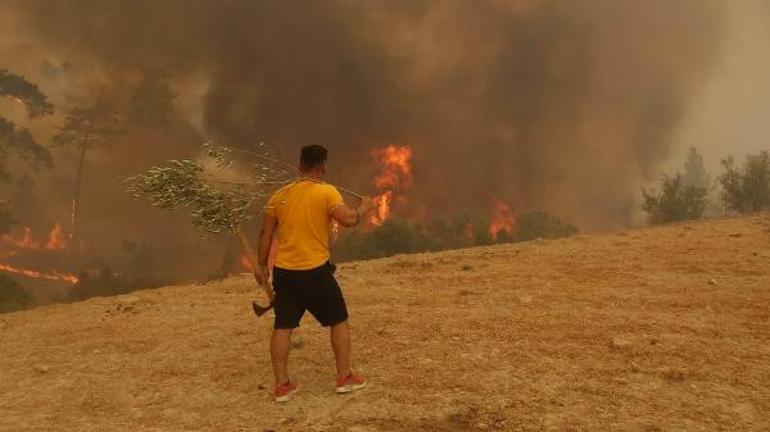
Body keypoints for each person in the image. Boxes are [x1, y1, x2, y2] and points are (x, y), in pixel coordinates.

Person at [254, 144, 375, 403]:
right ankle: (344, 377)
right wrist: (365, 206)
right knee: (338, 319)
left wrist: (262, 265)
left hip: (285, 273)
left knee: (283, 325)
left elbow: (265, 233)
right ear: (323, 167)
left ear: (300, 165)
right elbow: (349, 220)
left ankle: (282, 385)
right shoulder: (326, 192)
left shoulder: (280, 194)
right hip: (315, 272)